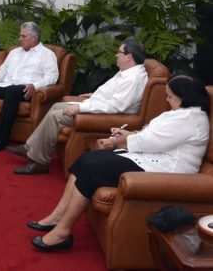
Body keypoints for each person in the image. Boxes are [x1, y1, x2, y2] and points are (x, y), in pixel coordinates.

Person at [28, 74, 210, 252]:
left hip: (167, 169)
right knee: (86, 159)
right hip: (152, 157)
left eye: (170, 95)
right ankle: (57, 217)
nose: (167, 98)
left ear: (184, 97)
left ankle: (62, 232)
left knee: (92, 167)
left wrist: (121, 140)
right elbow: (153, 137)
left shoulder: (190, 119)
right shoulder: (182, 113)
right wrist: (128, 136)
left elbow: (151, 141)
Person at [10, 37, 148, 174]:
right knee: (57, 106)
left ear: (129, 56)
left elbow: (115, 107)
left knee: (56, 116)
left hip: (110, 116)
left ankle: (39, 161)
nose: (116, 55)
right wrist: (93, 95)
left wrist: (80, 107)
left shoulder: (133, 79)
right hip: (100, 106)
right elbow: (114, 95)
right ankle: (30, 147)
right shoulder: (128, 72)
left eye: (119, 52)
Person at [0, 22, 59, 153]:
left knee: (12, 92)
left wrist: (34, 85)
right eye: (20, 36)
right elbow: (2, 71)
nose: (19, 39)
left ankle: (2, 138)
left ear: (34, 38)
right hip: (7, 85)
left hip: (26, 88)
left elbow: (52, 77)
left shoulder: (47, 54)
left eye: (23, 36)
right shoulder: (14, 52)